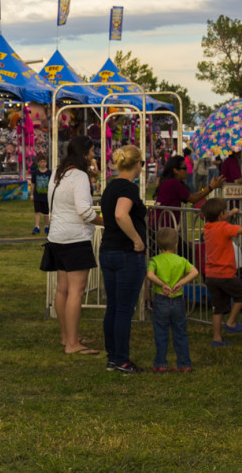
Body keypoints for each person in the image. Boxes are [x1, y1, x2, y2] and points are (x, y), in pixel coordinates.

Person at [43, 135, 104, 355]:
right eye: (92, 151)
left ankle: (66, 337)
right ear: (84, 153)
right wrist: (106, 221)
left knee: (63, 289)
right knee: (76, 292)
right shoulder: (78, 176)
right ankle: (72, 344)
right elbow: (85, 211)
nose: (94, 155)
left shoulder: (58, 173)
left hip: (57, 236)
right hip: (75, 237)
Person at [100, 145, 148, 373]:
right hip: (126, 254)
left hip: (108, 250)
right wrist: (137, 240)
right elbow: (121, 214)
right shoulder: (129, 188)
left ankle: (113, 356)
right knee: (123, 310)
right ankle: (121, 359)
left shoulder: (110, 187)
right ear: (137, 164)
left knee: (114, 306)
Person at [201, 197, 242, 347]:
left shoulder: (208, 228)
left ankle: (216, 339)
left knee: (218, 308)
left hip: (211, 275)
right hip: (226, 274)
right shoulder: (224, 228)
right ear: (222, 214)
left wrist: (229, 214)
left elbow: (219, 221)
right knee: (241, 294)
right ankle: (231, 322)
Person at [146, 227, 198, 373]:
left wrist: (161, 284)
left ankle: (161, 364)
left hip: (161, 299)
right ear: (176, 245)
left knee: (161, 333)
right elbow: (195, 272)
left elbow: (149, 275)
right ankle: (184, 364)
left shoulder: (155, 260)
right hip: (178, 300)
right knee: (180, 333)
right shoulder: (181, 260)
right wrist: (181, 282)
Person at [152, 156, 224, 254]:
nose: (187, 170)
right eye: (184, 168)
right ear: (175, 170)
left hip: (163, 228)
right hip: (162, 229)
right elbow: (193, 199)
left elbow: (193, 196)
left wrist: (208, 187)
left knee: (185, 254)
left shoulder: (174, 183)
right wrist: (210, 187)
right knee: (187, 254)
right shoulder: (173, 183)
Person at [31, 154, 51, 235]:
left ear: (46, 163)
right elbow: (33, 184)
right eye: (41, 162)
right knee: (37, 211)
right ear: (38, 163)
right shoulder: (35, 173)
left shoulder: (49, 173)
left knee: (46, 212)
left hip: (46, 196)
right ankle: (37, 226)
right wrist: (32, 195)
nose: (43, 163)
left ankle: (46, 226)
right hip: (37, 196)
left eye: (44, 162)